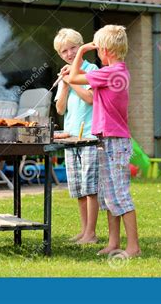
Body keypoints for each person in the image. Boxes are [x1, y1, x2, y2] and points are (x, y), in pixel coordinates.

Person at [64, 25, 141, 257]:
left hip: (114, 141)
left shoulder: (110, 72)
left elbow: (75, 77)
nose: (95, 53)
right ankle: (113, 243)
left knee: (120, 194)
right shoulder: (116, 71)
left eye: (97, 48)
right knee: (108, 196)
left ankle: (133, 247)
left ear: (105, 50)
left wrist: (80, 52)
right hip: (107, 140)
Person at [53, 28, 100, 244]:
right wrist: (64, 84)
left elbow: (90, 98)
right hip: (71, 136)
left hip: (89, 135)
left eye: (73, 48)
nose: (70, 54)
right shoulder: (65, 75)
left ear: (81, 47)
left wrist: (71, 80)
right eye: (64, 51)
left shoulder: (92, 70)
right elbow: (60, 109)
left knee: (90, 188)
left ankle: (91, 233)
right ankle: (84, 231)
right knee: (79, 188)